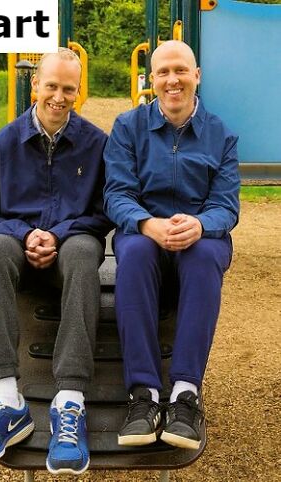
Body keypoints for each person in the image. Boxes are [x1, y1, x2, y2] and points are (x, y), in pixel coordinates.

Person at [0, 48, 113, 475]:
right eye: (52, 86)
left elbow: (103, 212)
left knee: (83, 251)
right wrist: (26, 235)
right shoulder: (4, 143)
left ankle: (70, 400)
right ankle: (7, 398)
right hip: (16, 246)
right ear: (34, 86)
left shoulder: (97, 144)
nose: (59, 97)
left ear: (79, 92)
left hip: (72, 245)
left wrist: (58, 235)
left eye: (69, 89)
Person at [103, 40, 239, 450]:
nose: (172, 80)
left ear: (196, 76)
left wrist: (200, 224)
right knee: (136, 252)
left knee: (203, 257)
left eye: (180, 70)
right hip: (146, 232)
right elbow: (116, 193)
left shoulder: (222, 135)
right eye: (162, 72)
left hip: (200, 235)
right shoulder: (128, 127)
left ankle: (185, 394)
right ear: (151, 80)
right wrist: (146, 223)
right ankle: (142, 395)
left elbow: (227, 206)